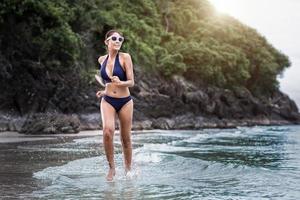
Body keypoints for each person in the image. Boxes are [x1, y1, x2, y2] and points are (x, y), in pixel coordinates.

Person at [96, 30, 134, 181]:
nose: (118, 41)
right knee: (107, 131)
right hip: (108, 100)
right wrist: (104, 91)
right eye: (114, 38)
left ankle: (128, 169)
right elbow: (107, 82)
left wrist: (121, 82)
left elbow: (131, 81)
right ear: (107, 42)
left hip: (125, 102)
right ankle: (112, 168)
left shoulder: (125, 57)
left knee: (125, 138)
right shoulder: (101, 60)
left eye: (120, 39)